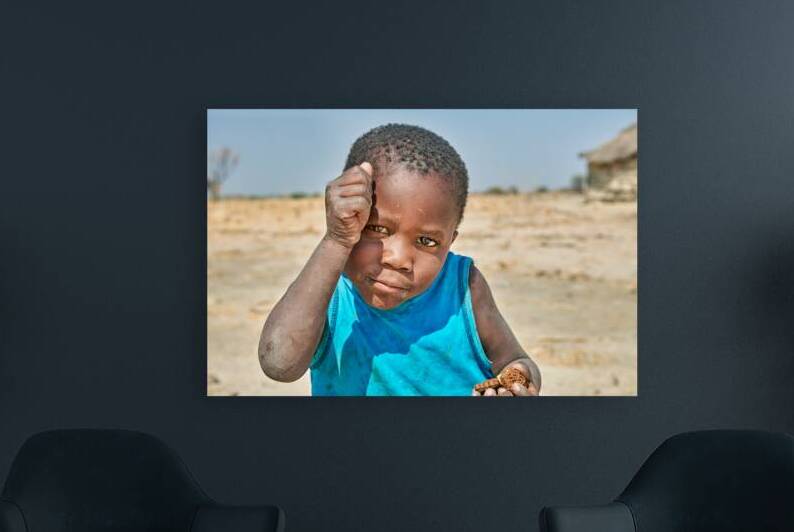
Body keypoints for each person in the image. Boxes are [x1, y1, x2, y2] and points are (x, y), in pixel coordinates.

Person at [258, 123, 541, 396]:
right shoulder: (329, 292)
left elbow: (514, 359)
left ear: (450, 242)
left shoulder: (464, 286)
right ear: (349, 219)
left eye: (426, 241)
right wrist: (336, 240)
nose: (399, 259)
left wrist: (519, 379)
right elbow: (279, 364)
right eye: (377, 229)